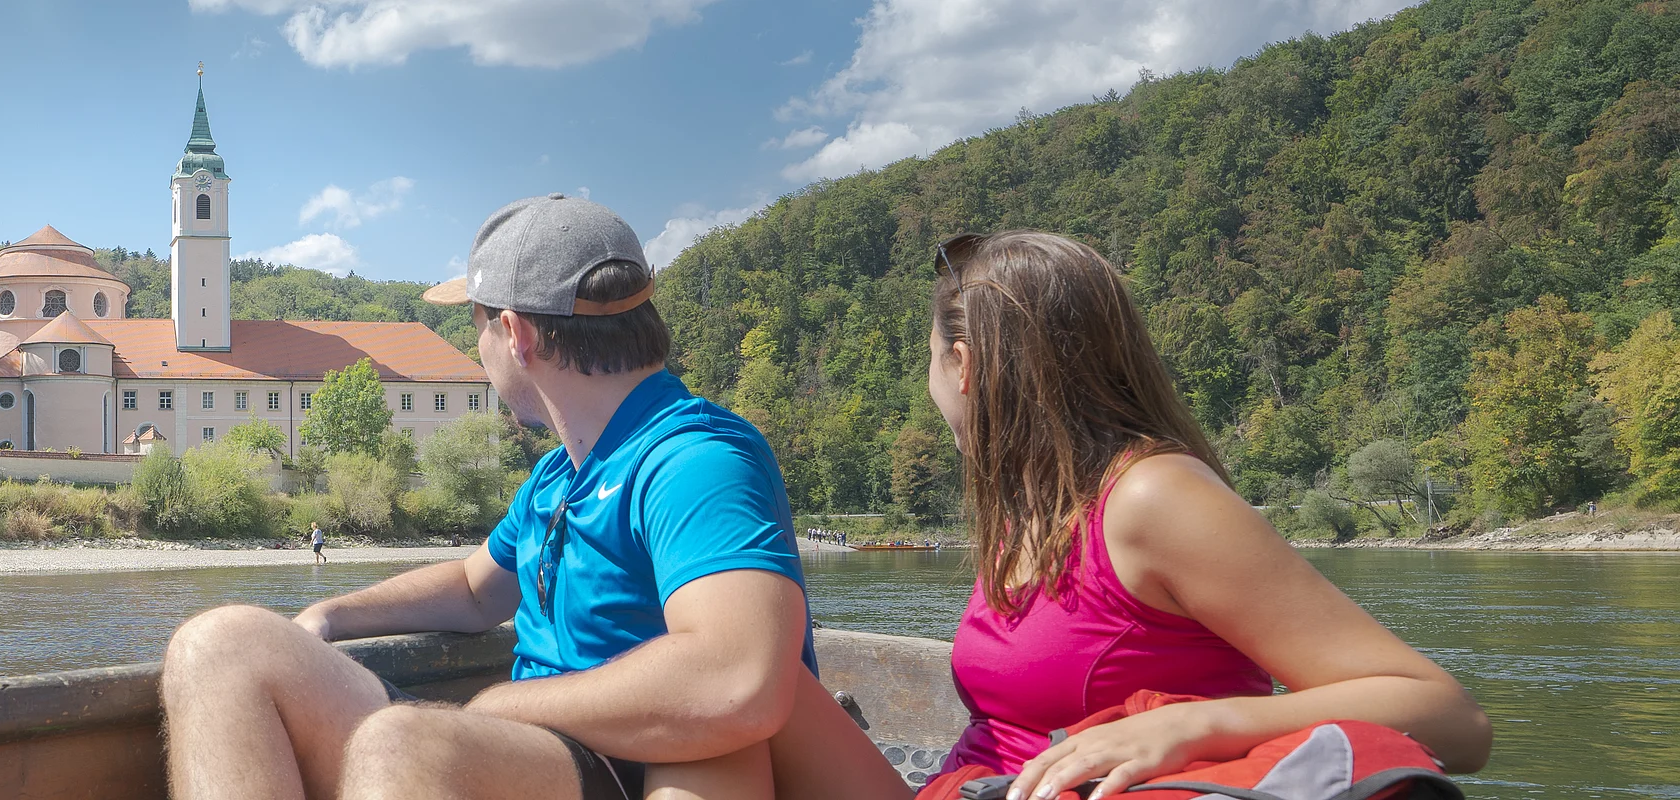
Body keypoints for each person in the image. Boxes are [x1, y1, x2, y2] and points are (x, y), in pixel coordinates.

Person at [159, 194, 905, 800]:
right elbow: (473, 589)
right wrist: (332, 614)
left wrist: (499, 708)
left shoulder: (693, 461)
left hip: (639, 770)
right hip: (531, 753)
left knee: (405, 743)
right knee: (217, 645)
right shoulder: (560, 473)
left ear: (515, 334)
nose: (477, 348)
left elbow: (740, 680)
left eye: (476, 326)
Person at [918, 231, 1490, 798]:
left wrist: (1191, 726)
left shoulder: (1150, 498)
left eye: (930, 360)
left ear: (963, 365)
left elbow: (1455, 722)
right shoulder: (1038, 506)